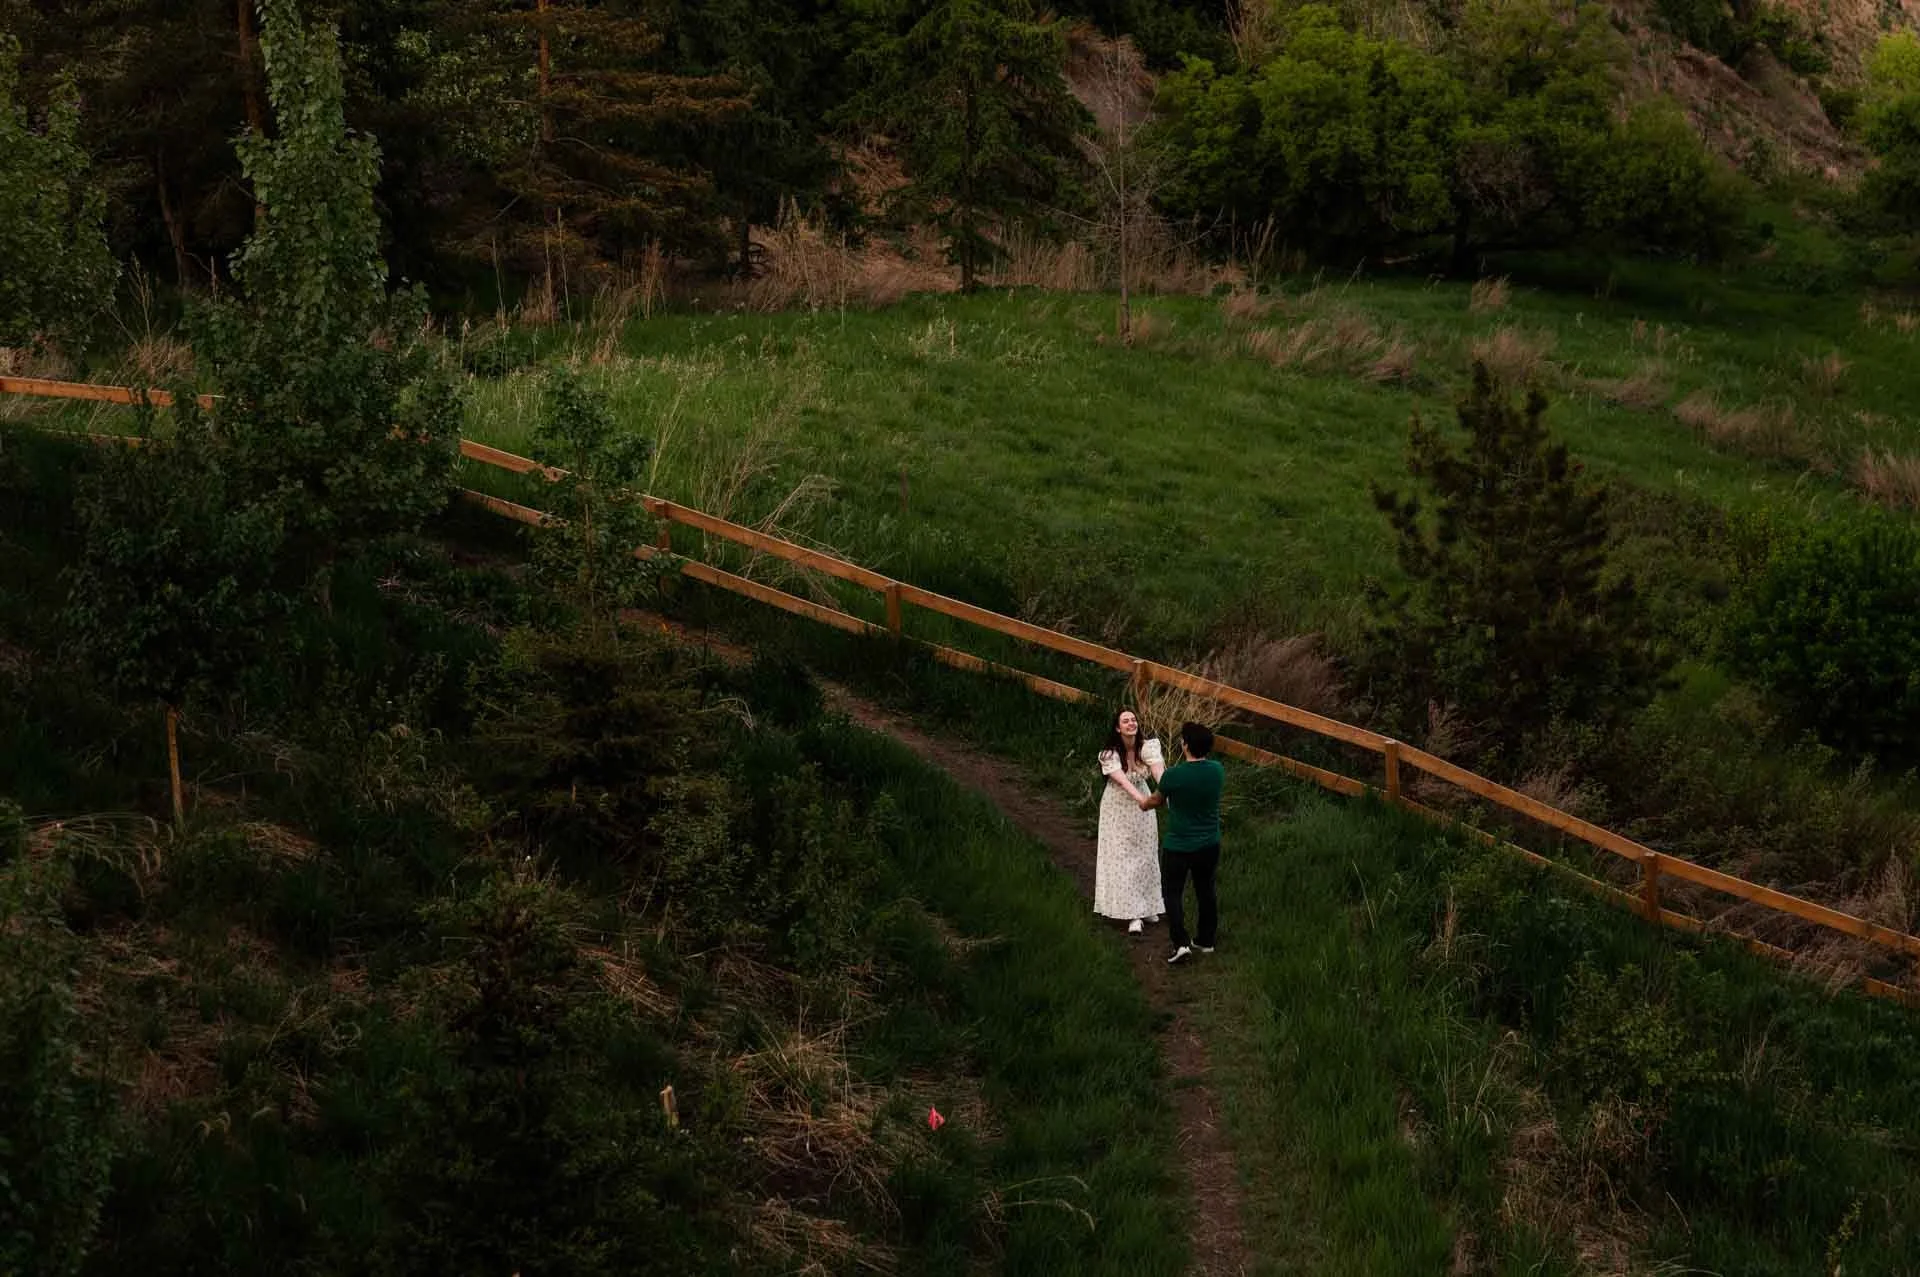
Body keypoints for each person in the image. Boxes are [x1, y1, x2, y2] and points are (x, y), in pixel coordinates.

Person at [1137, 721, 1224, 964]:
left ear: (1185, 745)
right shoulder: (1217, 770)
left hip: (1179, 845)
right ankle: (1206, 941)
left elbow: (1156, 800)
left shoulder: (1173, 775)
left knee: (1172, 892)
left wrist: (1143, 804)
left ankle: (1181, 942)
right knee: (1206, 889)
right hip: (1209, 843)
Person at [1097, 709, 1165, 934]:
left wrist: (1168, 793)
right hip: (1119, 806)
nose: (1131, 723)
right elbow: (1124, 783)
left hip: (1143, 807)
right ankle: (1132, 914)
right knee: (1122, 856)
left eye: (1133, 720)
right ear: (1118, 727)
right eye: (1125, 721)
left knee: (1145, 853)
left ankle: (1148, 906)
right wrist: (1143, 801)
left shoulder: (1147, 747)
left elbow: (1159, 775)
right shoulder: (1109, 754)